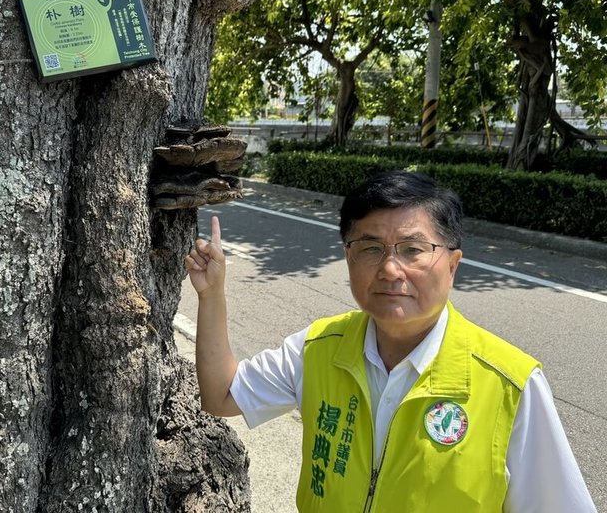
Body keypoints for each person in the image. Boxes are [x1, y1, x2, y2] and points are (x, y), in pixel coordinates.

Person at [185, 170, 596, 512]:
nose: (390, 269)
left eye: (412, 249)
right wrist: (212, 294)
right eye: (370, 248)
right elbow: (222, 395)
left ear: (452, 265)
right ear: (348, 258)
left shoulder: (511, 385)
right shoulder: (319, 348)